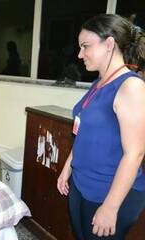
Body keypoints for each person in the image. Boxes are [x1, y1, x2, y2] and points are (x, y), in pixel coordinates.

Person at [57, 14, 145, 239]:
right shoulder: (99, 83)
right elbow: (83, 130)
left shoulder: (131, 87)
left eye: (85, 46)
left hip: (109, 192)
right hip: (82, 183)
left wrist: (110, 208)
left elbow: (135, 154)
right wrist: (68, 166)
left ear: (109, 44)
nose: (79, 54)